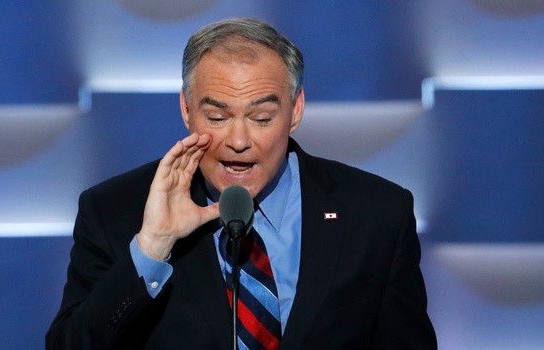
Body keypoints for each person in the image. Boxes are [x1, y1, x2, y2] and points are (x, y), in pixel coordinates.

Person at [46, 17, 437, 349]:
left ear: (295, 110)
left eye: (261, 118)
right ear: (186, 108)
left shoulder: (377, 213)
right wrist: (152, 247)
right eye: (217, 118)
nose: (238, 140)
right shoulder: (115, 211)